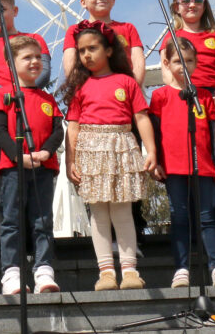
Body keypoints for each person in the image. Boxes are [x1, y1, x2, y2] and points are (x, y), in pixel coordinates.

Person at [61, 21, 156, 291]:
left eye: (92, 48)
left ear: (110, 50)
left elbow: (141, 117)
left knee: (123, 211)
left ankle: (129, 271)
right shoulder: (79, 87)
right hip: (90, 149)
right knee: (99, 214)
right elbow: (74, 127)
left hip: (122, 145)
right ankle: (105, 272)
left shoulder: (126, 82)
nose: (86, 55)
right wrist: (70, 160)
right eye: (81, 51)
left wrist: (150, 150)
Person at [150, 37, 215, 288]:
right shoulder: (160, 95)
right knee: (180, 216)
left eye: (189, 61)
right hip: (173, 167)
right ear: (166, 63)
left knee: (207, 216)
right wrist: (157, 162)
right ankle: (182, 268)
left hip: (204, 166)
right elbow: (154, 131)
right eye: (178, 62)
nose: (184, 66)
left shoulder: (205, 96)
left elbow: (214, 129)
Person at [0, 0, 52, 236]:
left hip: (32, 116)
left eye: (1, 10)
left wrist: (16, 91)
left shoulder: (35, 40)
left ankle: (35, 241)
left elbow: (44, 73)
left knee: (36, 182)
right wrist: (11, 92)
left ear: (14, 10)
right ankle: (4, 242)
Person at [0, 35, 63, 295]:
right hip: (14, 169)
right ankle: (12, 272)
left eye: (37, 57)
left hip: (44, 167)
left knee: (42, 219)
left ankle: (43, 269)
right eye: (27, 57)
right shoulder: (3, 96)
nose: (34, 62)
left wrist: (45, 152)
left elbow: (58, 131)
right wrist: (17, 156)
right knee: (11, 219)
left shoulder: (48, 99)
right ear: (11, 63)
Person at [62, 0, 146, 85]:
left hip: (125, 89)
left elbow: (138, 62)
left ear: (113, 0)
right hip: (90, 90)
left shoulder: (128, 28)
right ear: (83, 2)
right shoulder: (75, 30)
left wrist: (134, 87)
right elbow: (70, 66)